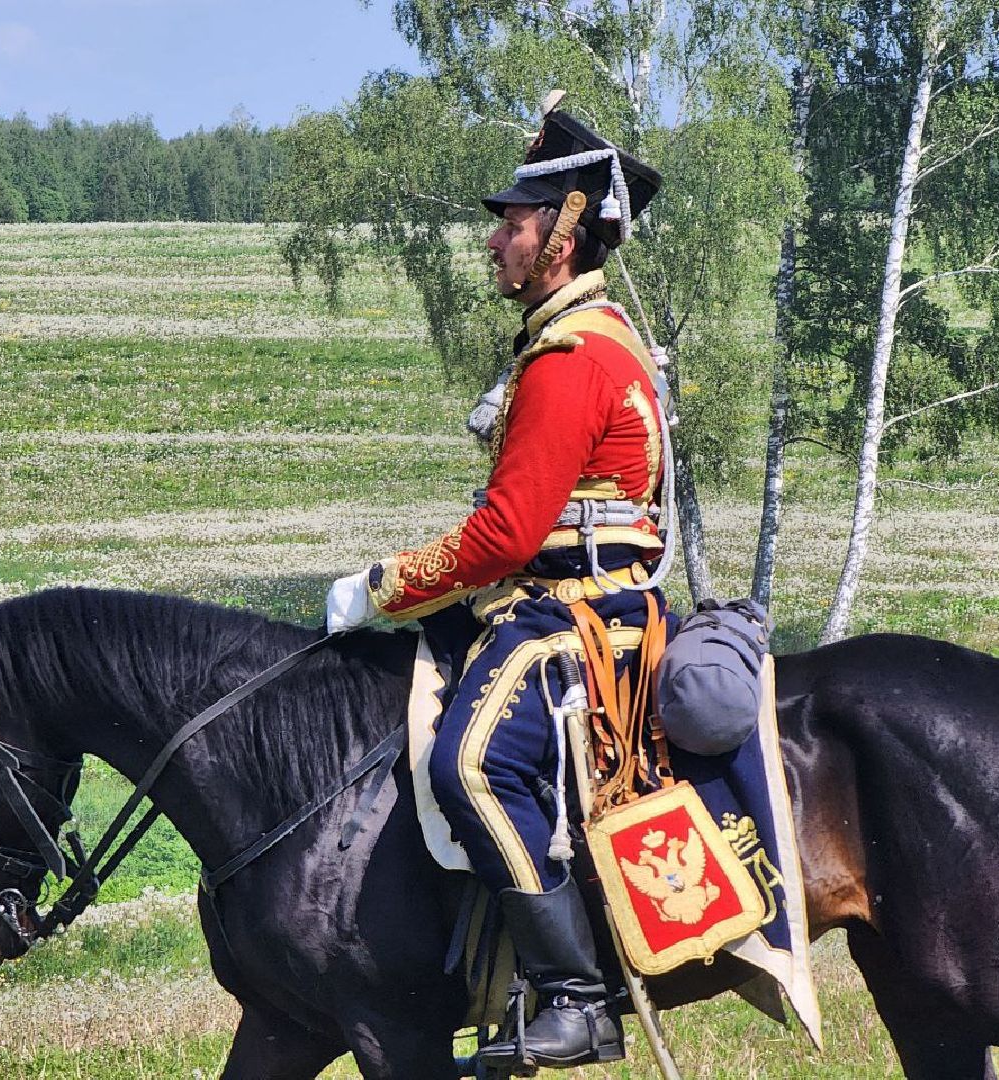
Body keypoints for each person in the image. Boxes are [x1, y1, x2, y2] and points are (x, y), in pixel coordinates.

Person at [326, 104, 671, 1071]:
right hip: (571, 601)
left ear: (563, 231)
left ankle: (572, 996)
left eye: (513, 222)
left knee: (468, 764)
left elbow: (509, 533)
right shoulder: (584, 338)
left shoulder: (571, 359)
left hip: (572, 619)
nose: (494, 239)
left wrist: (380, 587)